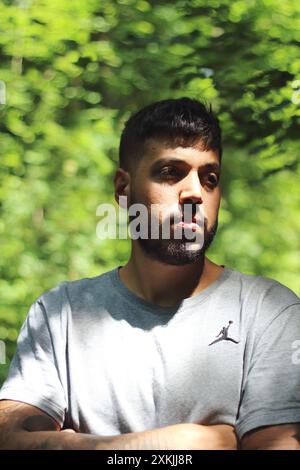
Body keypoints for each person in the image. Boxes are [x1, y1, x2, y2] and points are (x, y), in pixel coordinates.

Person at [0, 98, 299, 450]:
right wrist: (175, 444)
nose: (194, 193)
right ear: (123, 189)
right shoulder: (60, 313)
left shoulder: (269, 312)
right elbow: (9, 439)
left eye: (209, 178)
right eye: (171, 172)